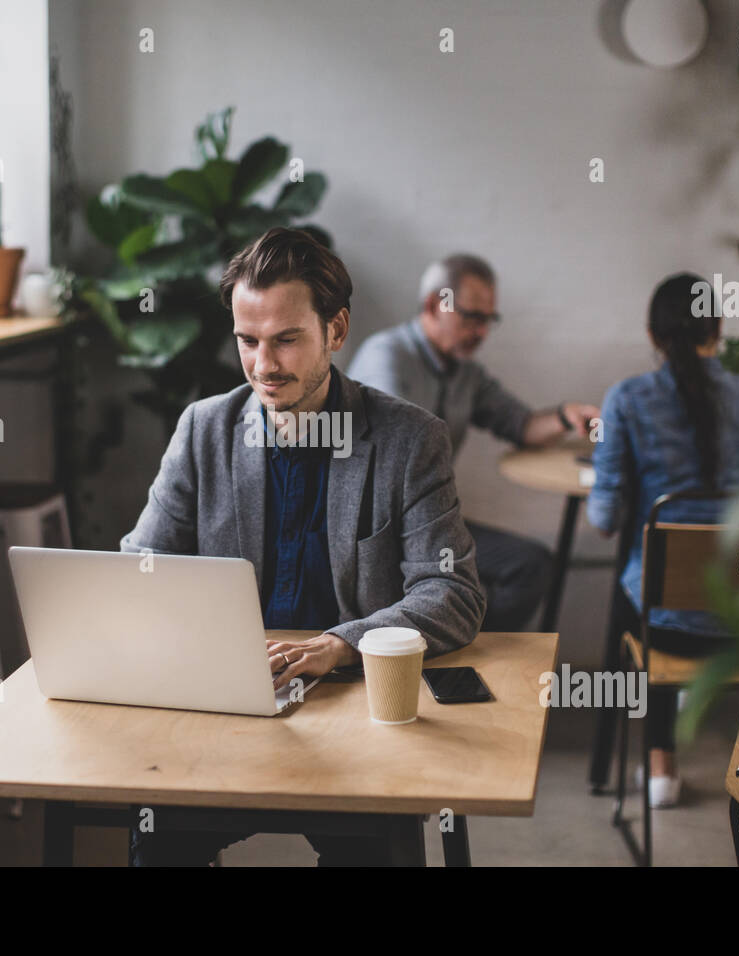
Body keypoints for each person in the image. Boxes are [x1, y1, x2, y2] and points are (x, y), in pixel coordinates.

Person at [119, 227, 486, 865]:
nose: (264, 364)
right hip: (232, 706)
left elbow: (452, 591)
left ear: (335, 331)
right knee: (157, 841)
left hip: (360, 710)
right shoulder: (204, 431)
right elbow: (140, 572)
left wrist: (341, 644)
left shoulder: (409, 440)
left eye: (287, 339)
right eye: (248, 340)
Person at [585, 273, 739, 808]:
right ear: (718, 328)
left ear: (654, 336)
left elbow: (605, 519)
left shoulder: (627, 400)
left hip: (667, 633)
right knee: (674, 576)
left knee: (642, 582)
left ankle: (661, 769)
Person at [346, 253, 599, 631]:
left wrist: (566, 415)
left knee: (529, 566)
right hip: (377, 533)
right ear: (434, 305)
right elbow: (393, 456)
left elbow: (521, 425)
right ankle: (455, 638)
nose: (482, 332)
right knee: (463, 587)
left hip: (427, 524)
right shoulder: (387, 357)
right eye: (472, 317)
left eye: (488, 320)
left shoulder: (466, 373)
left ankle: (461, 643)